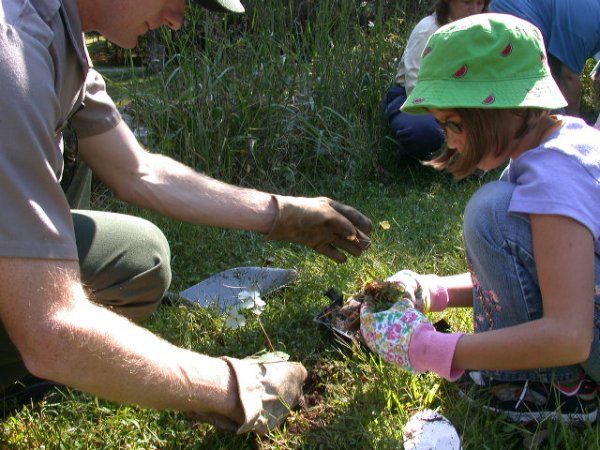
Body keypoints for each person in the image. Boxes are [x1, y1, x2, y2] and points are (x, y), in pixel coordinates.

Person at [0, 0, 373, 435]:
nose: (176, 21)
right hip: (42, 323)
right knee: (51, 332)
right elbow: (50, 325)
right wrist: (234, 389)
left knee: (141, 260)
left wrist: (281, 212)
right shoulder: (15, 54)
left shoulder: (63, 42)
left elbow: (141, 170)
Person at [360, 13, 600, 423]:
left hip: (581, 339)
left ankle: (553, 387)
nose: (449, 139)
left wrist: (433, 348)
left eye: (454, 124)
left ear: (504, 108)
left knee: (490, 213)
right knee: (497, 209)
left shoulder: (554, 173)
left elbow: (571, 335)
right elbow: (544, 271)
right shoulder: (557, 145)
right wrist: (434, 291)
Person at [382, 0, 489, 161]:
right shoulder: (427, 30)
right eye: (467, 2)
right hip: (414, 100)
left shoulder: (482, 32)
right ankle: (425, 154)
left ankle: (458, 154)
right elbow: (414, 88)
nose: (474, 10)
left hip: (464, 100)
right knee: (424, 132)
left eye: (480, 3)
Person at [490, 0, 600, 118]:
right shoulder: (590, 21)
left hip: (506, 19)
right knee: (548, 118)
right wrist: (575, 124)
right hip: (514, 26)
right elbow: (569, 77)